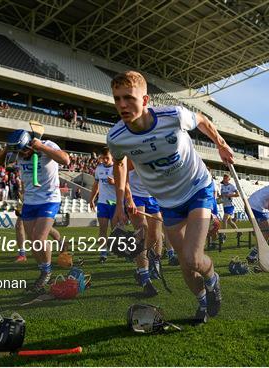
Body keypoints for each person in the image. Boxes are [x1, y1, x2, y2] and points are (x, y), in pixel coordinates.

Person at [107, 71, 233, 323]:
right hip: (168, 202)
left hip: (197, 188)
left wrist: (220, 143)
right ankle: (202, 303)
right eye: (117, 98)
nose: (122, 105)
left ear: (145, 100)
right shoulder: (116, 137)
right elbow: (119, 164)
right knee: (186, 266)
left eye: (129, 98)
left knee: (192, 258)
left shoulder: (172, 115)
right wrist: (120, 202)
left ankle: (212, 279)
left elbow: (201, 120)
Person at [0, 129, 69, 293]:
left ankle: (47, 272)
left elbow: (65, 160)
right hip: (29, 201)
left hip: (49, 199)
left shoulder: (47, 145)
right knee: (33, 242)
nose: (22, 154)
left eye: (24, 149)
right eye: (19, 151)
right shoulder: (17, 152)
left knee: (39, 238)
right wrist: (8, 148)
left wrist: (41, 147)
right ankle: (43, 269)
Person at [126, 160, 163, 297]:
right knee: (142, 232)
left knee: (155, 235)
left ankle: (145, 266)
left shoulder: (160, 153)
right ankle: (145, 278)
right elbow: (124, 176)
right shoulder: (134, 154)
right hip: (136, 196)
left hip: (152, 197)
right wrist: (129, 199)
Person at [88, 147, 117, 263]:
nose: (105, 160)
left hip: (115, 203)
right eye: (103, 158)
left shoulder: (117, 167)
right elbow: (96, 185)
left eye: (107, 158)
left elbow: (124, 185)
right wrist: (92, 199)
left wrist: (115, 182)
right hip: (102, 203)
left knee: (116, 230)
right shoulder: (98, 168)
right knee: (102, 229)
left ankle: (120, 249)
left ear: (112, 157)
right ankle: (103, 253)